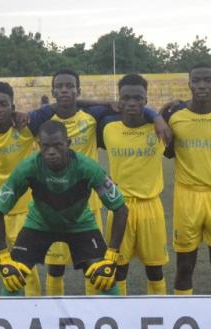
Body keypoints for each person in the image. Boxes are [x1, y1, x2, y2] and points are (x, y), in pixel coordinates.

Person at [22, 69, 170, 296]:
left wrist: (156, 116)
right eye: (59, 87)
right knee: (55, 268)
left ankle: (98, 313)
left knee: (95, 266)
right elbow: (23, 119)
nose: (64, 91)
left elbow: (128, 107)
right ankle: (54, 313)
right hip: (52, 204)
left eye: (70, 86)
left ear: (78, 90)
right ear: (52, 91)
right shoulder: (43, 121)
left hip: (87, 206)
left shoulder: (94, 118)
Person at [0, 120, 128, 297]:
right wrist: (3, 257)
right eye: (46, 146)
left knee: (105, 275)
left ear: (68, 144)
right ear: (39, 145)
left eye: (57, 145)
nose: (51, 152)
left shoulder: (88, 167)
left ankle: (112, 313)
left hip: (80, 224)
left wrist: (112, 255)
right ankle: (8, 314)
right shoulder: (27, 168)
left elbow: (120, 208)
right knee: (12, 275)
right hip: (39, 224)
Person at [162, 64, 211, 297]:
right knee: (185, 265)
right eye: (196, 81)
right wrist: (161, 114)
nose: (202, 85)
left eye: (207, 80)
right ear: (189, 84)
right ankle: (183, 313)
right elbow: (168, 152)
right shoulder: (175, 117)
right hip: (187, 196)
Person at [96, 74, 168, 295]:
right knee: (117, 269)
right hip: (119, 206)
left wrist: (156, 116)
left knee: (155, 270)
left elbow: (183, 107)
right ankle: (119, 313)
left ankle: (158, 311)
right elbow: (76, 106)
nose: (132, 103)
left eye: (138, 98)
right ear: (119, 99)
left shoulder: (159, 129)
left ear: (146, 100)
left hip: (151, 206)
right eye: (126, 98)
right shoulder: (107, 126)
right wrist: (155, 114)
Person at [0, 81, 42, 296]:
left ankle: (35, 311)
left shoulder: (26, 128)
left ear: (12, 106)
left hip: (23, 212)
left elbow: (58, 107)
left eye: (3, 104)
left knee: (28, 270)